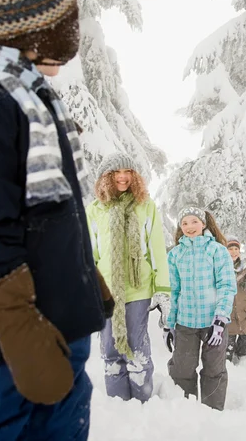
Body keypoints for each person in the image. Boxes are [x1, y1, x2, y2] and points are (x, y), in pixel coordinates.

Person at [0, 0, 108, 440]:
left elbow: (61, 212)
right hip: (18, 334)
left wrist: (87, 277)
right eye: (52, 45)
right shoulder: (4, 104)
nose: (61, 62)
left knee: (63, 414)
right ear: (24, 37)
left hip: (61, 311)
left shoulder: (37, 99)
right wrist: (16, 324)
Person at [86, 152, 171, 402]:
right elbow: (89, 256)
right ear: (106, 177)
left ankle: (142, 403)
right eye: (116, 173)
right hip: (107, 291)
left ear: (134, 176)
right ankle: (119, 405)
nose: (122, 177)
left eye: (127, 172)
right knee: (110, 350)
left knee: (136, 346)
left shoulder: (146, 206)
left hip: (138, 288)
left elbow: (157, 251)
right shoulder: (95, 210)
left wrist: (162, 290)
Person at [164, 207, 237, 411]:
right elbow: (173, 292)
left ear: (203, 224)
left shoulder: (217, 250)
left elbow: (226, 285)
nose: (189, 227)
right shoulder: (176, 254)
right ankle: (186, 414)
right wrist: (169, 325)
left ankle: (212, 414)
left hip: (214, 324)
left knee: (214, 370)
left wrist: (220, 319)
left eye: (194, 221)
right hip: (185, 323)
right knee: (182, 369)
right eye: (184, 223)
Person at [226, 236, 246, 363]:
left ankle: (244, 369)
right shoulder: (221, 269)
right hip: (228, 317)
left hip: (245, 315)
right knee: (226, 353)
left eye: (236, 248)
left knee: (245, 353)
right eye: (230, 249)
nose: (233, 252)